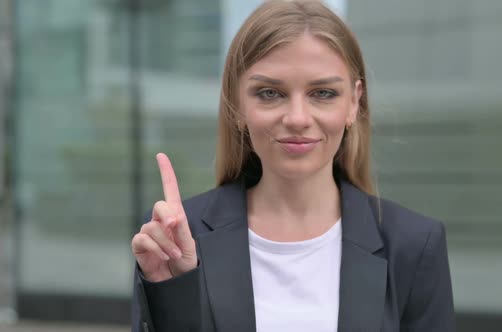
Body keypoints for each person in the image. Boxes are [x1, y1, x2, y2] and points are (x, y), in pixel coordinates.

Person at [131, 1, 455, 331]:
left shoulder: (414, 244)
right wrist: (173, 295)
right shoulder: (179, 239)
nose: (297, 118)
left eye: (323, 92)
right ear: (237, 103)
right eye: (270, 93)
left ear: (354, 102)